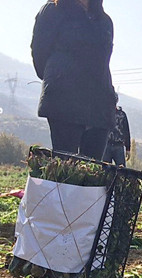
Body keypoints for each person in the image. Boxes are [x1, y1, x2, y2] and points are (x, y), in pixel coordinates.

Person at [31, 0, 116, 160]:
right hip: (64, 101)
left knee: (93, 173)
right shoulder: (53, 11)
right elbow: (40, 56)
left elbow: (104, 62)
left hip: (100, 105)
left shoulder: (104, 21)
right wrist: (59, 78)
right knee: (65, 169)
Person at [102, 96, 131, 167]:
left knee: (122, 171)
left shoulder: (122, 114)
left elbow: (126, 131)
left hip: (119, 146)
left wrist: (128, 148)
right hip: (106, 145)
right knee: (105, 169)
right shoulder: (104, 112)